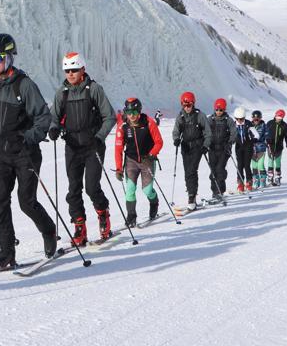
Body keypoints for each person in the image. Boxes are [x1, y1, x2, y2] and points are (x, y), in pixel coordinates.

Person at [0, 33, 57, 269]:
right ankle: (7, 252)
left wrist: (28, 138)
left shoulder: (24, 85)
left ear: (9, 56)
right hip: (1, 152)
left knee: (26, 202)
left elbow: (43, 117)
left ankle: (49, 231)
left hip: (25, 153)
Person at [48, 52, 116, 246]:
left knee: (92, 187)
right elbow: (54, 116)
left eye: (74, 70)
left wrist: (99, 137)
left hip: (93, 145)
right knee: (73, 190)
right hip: (72, 147)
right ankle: (80, 228)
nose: (70, 74)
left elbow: (110, 117)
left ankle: (103, 214)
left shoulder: (94, 89)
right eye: (67, 70)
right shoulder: (62, 92)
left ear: (83, 69)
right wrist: (53, 128)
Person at [114, 98, 163, 227]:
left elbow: (159, 142)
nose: (132, 116)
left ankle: (154, 202)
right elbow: (118, 148)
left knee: (147, 190)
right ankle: (131, 216)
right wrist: (119, 168)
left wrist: (153, 154)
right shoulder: (123, 127)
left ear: (139, 111)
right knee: (130, 190)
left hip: (148, 160)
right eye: (129, 112)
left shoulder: (149, 123)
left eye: (135, 112)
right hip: (131, 161)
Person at [171, 91, 211, 210]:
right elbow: (176, 131)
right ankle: (191, 192)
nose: (187, 108)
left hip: (197, 146)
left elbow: (208, 133)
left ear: (193, 104)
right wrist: (176, 139)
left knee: (192, 171)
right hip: (185, 147)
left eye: (189, 105)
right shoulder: (180, 116)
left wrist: (205, 145)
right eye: (185, 105)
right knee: (187, 171)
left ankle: (191, 196)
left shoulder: (200, 115)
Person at [207, 98, 236, 200]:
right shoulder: (210, 119)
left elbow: (234, 132)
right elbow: (205, 131)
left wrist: (230, 142)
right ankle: (214, 191)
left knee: (220, 169)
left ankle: (220, 191)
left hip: (224, 149)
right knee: (213, 170)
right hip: (212, 149)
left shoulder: (228, 120)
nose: (218, 112)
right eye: (217, 110)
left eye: (221, 110)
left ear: (224, 110)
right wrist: (206, 143)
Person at [265, 109, 287, 186]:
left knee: (278, 162)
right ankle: (270, 178)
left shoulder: (284, 125)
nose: (279, 118)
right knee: (270, 161)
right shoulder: (270, 123)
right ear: (275, 115)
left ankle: (277, 177)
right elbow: (266, 133)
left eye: (281, 117)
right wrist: (267, 140)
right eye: (278, 116)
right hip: (270, 145)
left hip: (279, 146)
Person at [233, 106, 254, 192]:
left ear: (244, 117)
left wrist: (253, 139)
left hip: (248, 146)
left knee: (247, 165)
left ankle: (249, 182)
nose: (240, 121)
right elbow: (231, 136)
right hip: (238, 147)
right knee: (240, 165)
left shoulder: (248, 124)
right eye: (238, 119)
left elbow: (256, 134)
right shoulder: (234, 125)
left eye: (241, 119)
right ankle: (240, 183)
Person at [249, 110, 268, 189]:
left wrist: (267, 139)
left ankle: (263, 179)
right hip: (252, 149)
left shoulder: (263, 125)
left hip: (261, 148)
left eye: (257, 119)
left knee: (260, 165)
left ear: (260, 118)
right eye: (254, 119)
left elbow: (267, 134)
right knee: (254, 166)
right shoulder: (250, 125)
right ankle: (256, 179)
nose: (256, 121)